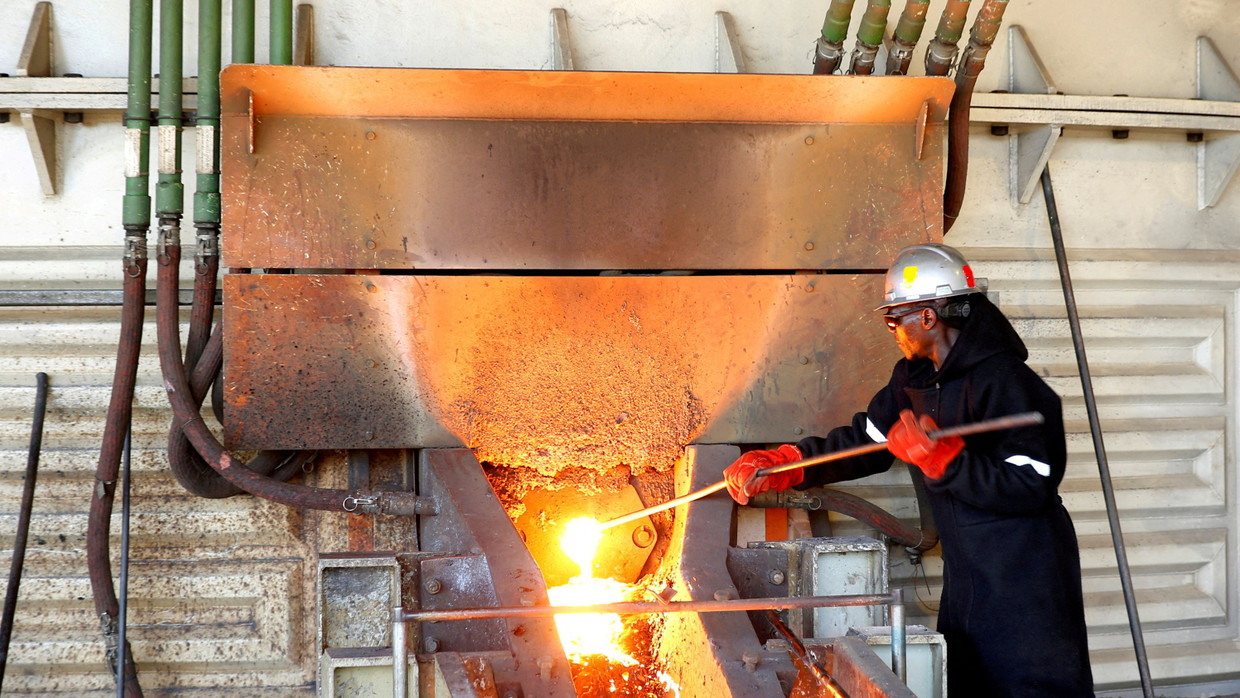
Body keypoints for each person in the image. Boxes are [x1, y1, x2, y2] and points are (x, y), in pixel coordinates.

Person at [723, 243, 1093, 697]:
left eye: (894, 317)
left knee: (1032, 686)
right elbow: (869, 441)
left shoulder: (1007, 382)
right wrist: (792, 464)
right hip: (969, 574)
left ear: (929, 317)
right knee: (970, 681)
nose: (892, 329)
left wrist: (945, 461)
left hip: (1025, 574)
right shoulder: (914, 379)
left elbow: (1029, 486)